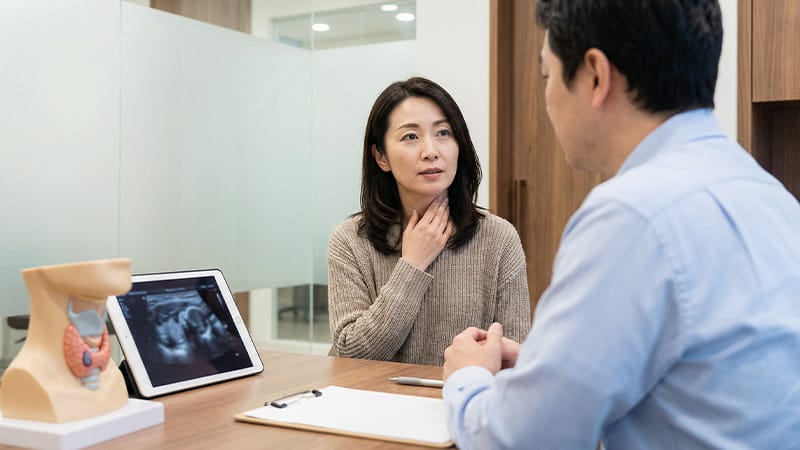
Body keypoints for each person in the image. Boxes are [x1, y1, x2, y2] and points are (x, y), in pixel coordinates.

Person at [442, 1, 800, 448]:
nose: (548, 96)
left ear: (595, 75)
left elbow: (522, 439)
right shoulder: (771, 196)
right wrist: (546, 362)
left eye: (546, 76)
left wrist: (467, 378)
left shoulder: (632, 214)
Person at [327, 77, 531, 366]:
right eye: (410, 136)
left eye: (444, 133)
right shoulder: (350, 239)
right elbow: (350, 357)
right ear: (381, 156)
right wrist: (412, 265)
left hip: (461, 403)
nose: (431, 151)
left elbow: (515, 360)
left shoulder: (499, 238)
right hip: (372, 405)